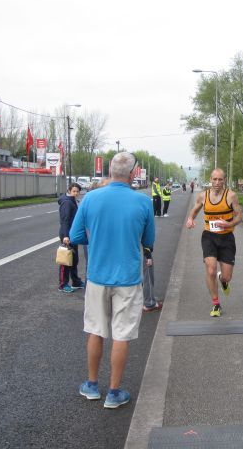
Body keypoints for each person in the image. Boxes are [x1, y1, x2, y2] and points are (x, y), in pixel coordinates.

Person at [70, 152, 155, 409]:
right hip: (128, 278)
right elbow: (148, 241)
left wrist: (97, 239)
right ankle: (114, 392)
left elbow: (75, 235)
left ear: (109, 172)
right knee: (121, 334)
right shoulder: (143, 202)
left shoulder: (90, 198)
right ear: (132, 174)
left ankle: (92, 385)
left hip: (97, 276)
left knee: (95, 329)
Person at [186, 168, 242, 317]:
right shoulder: (203, 196)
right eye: (215, 179)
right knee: (210, 269)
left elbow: (239, 217)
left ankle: (222, 281)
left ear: (224, 180)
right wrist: (190, 219)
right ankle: (216, 304)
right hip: (209, 236)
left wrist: (228, 224)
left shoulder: (231, 196)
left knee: (227, 277)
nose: (217, 182)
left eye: (220, 179)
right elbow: (195, 209)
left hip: (227, 238)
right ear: (210, 179)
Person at [59, 182, 84, 293]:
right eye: (74, 191)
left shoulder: (73, 201)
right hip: (67, 235)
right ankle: (63, 284)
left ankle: (75, 281)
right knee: (66, 260)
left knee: (74, 260)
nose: (76, 193)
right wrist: (65, 236)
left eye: (77, 191)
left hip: (72, 234)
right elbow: (65, 220)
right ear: (69, 191)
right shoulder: (67, 203)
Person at [142, 246, 164, 311]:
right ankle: (149, 303)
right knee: (148, 276)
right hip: (143, 250)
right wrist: (148, 255)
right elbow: (147, 238)